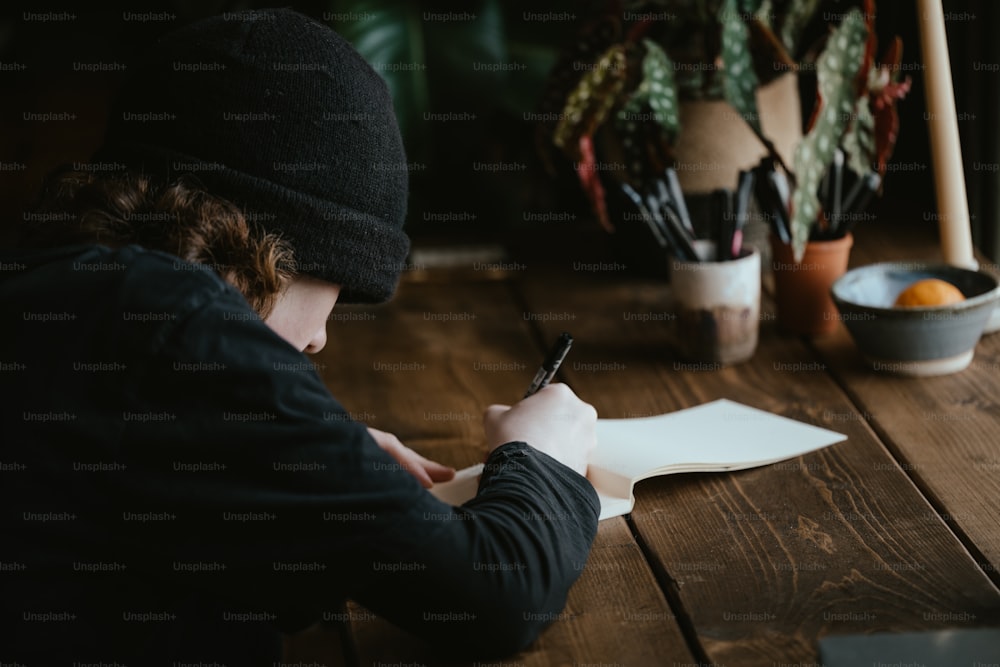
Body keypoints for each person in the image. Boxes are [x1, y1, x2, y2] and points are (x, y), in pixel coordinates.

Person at [0, 8, 599, 665]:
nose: (318, 340)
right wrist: (541, 455)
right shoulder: (175, 322)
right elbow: (499, 595)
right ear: (282, 247)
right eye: (341, 289)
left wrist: (295, 469)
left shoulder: (72, 299)